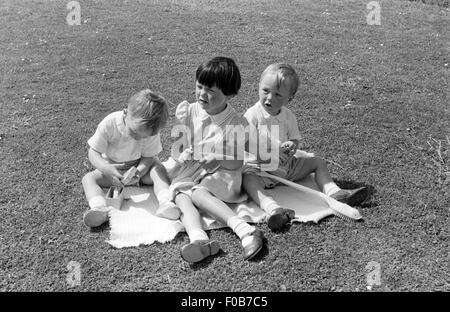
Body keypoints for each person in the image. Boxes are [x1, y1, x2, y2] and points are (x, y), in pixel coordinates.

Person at [242, 63, 368, 232]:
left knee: (316, 161)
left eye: (278, 95)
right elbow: (246, 143)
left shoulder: (288, 117)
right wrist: (269, 153)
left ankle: (334, 192)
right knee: (247, 179)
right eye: (265, 91)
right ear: (258, 87)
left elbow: (294, 139)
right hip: (261, 169)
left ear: (289, 98)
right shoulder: (252, 115)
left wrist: (292, 146)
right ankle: (274, 209)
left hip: (286, 167)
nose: (269, 98)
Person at [169, 56, 265, 261]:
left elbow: (237, 162)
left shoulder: (236, 123)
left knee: (197, 194)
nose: (202, 94)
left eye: (210, 90)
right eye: (199, 86)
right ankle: (198, 238)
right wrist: (182, 144)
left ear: (228, 94)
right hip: (194, 171)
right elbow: (178, 149)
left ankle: (245, 231)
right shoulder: (189, 111)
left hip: (224, 172)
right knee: (180, 195)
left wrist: (218, 159)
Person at [81, 89, 181, 228]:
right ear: (126, 112)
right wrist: (105, 167)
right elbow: (93, 152)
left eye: (143, 137)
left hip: (140, 169)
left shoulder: (150, 132)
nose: (138, 138)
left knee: (158, 170)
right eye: (134, 132)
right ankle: (99, 208)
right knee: (89, 179)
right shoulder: (110, 124)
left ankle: (166, 203)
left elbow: (149, 157)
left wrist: (139, 171)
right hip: (113, 171)